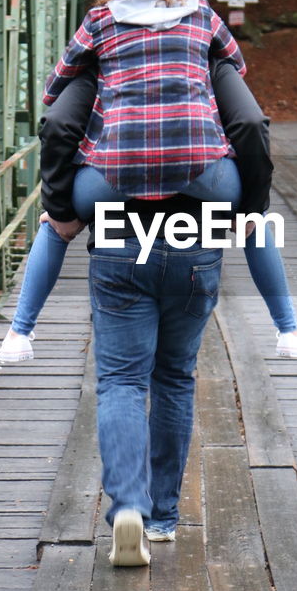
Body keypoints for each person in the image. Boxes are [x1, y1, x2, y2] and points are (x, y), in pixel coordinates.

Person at [0, 0, 297, 365]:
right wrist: (249, 207)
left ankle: (19, 334)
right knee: (255, 221)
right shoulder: (201, 14)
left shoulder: (101, 21)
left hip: (115, 177)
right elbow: (235, 70)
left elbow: (54, 97)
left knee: (55, 223)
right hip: (203, 174)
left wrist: (64, 207)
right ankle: (289, 330)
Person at [88, 196, 224, 563]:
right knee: (175, 377)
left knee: (122, 381)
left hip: (120, 237)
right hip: (196, 239)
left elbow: (69, 153)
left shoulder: (107, 132)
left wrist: (63, 209)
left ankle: (130, 506)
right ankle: (161, 519)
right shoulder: (214, 133)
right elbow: (247, 161)